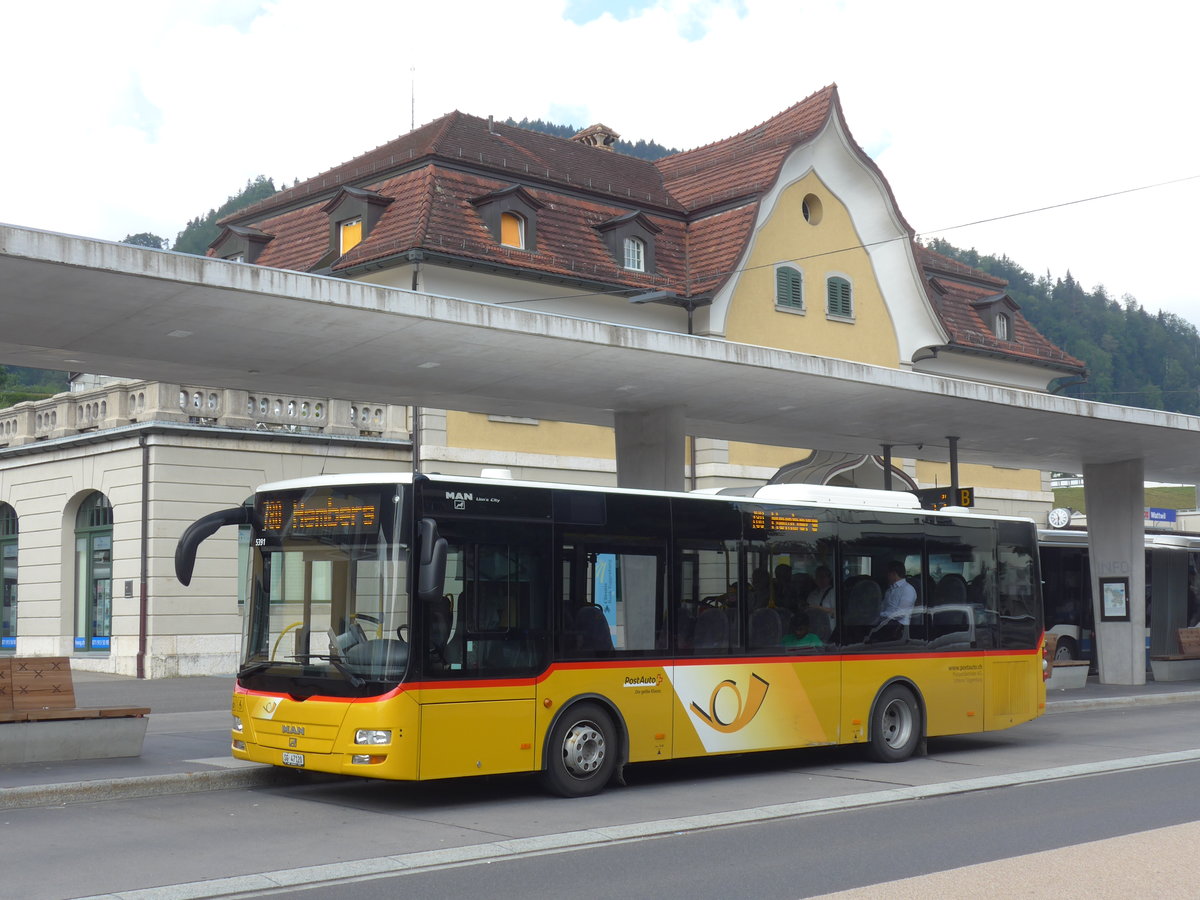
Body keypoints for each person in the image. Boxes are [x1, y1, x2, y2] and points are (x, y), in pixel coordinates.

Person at [867, 560, 916, 643]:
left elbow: (901, 614)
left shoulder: (908, 589)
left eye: (888, 573)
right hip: (885, 626)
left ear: (893, 573)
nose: (886, 576)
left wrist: (880, 615)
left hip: (898, 630)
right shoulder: (889, 590)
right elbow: (882, 608)